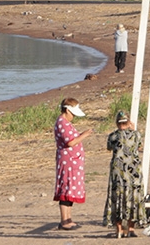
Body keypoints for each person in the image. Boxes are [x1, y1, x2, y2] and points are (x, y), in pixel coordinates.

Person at [103, 111, 146, 238]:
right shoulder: (136, 135)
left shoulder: (113, 136)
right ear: (128, 122)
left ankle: (119, 229)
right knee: (133, 197)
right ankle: (131, 229)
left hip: (118, 171)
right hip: (133, 171)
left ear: (117, 123)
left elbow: (109, 147)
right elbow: (138, 146)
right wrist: (133, 129)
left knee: (117, 198)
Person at [54, 97, 93, 230]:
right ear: (66, 110)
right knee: (66, 188)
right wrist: (85, 135)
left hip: (73, 161)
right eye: (72, 114)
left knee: (70, 188)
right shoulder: (61, 123)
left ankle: (68, 218)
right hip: (67, 161)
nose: (73, 117)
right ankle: (64, 220)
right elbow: (70, 142)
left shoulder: (66, 123)